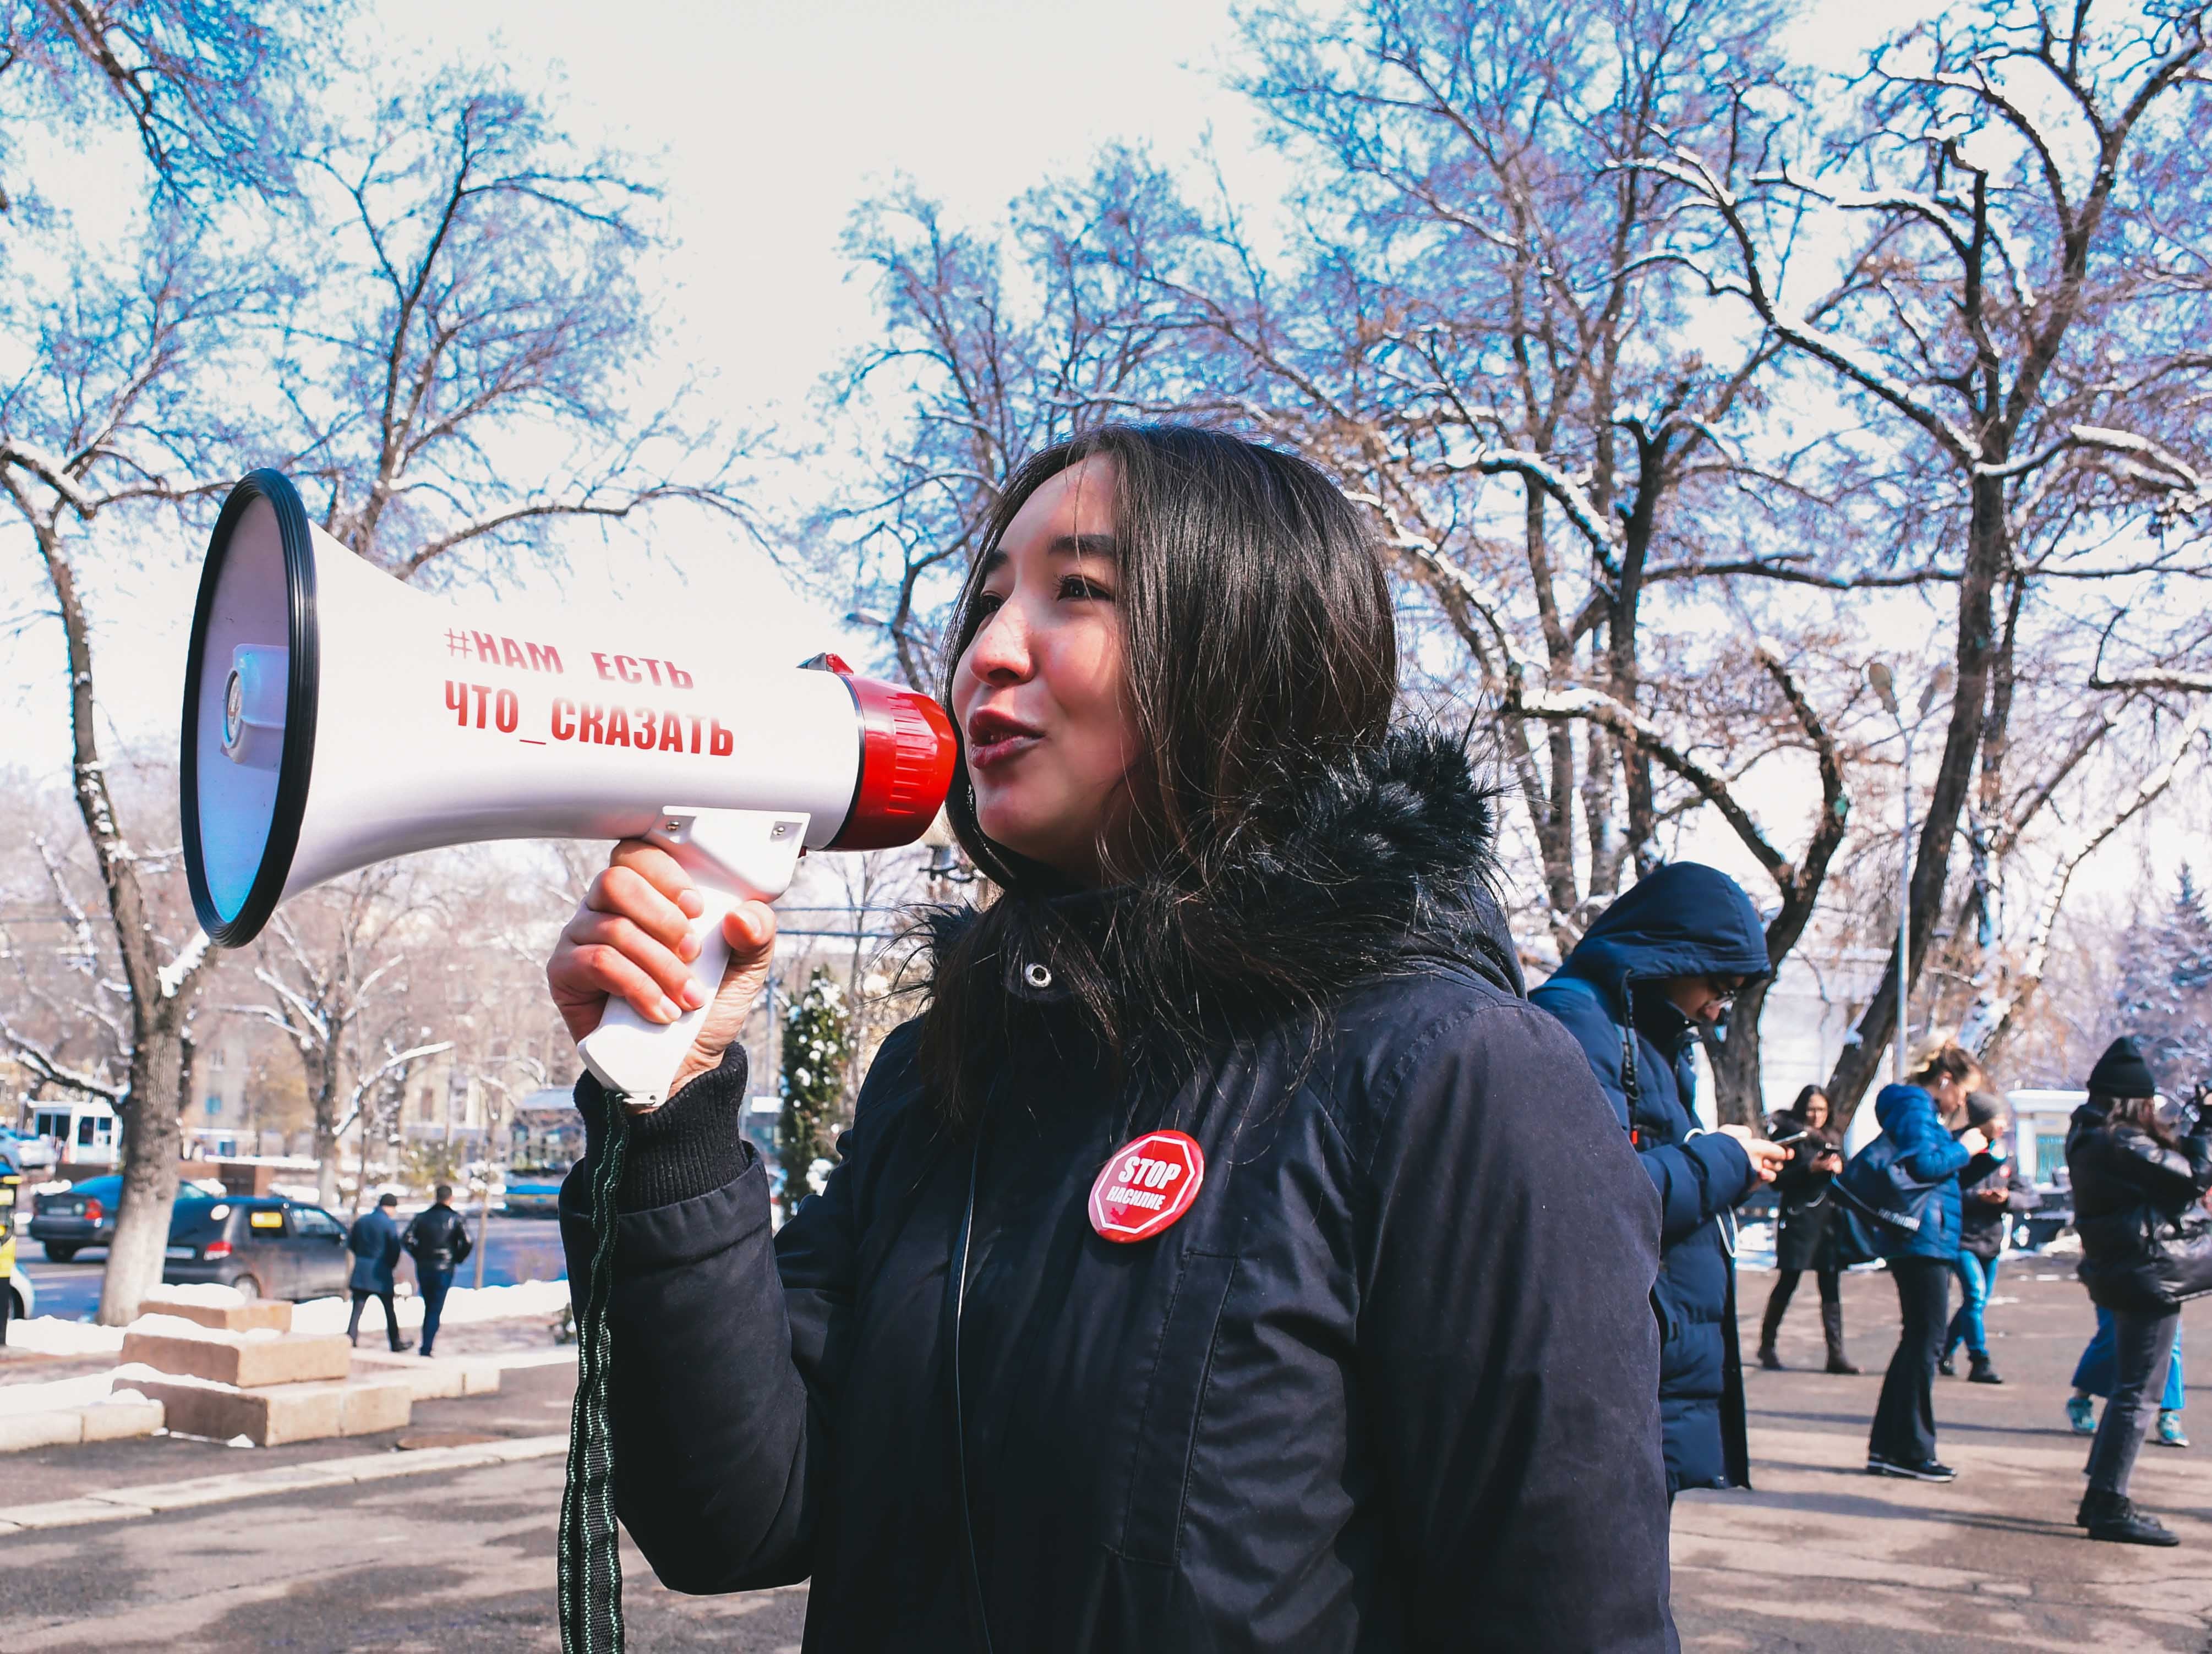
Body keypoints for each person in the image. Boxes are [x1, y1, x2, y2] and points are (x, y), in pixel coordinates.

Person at [548, 425, 1676, 1648]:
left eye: (1075, 592)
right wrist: (671, 1106)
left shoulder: (1455, 1082)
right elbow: (737, 1518)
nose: (984, 654)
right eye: (984, 604)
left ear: (1247, 651)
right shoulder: (938, 1083)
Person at [1529, 861, 1788, 1499]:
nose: (1716, 1010)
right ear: (1671, 957)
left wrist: (1744, 1168)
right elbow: (1595, 1197)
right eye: (1717, 986)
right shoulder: (1578, 1023)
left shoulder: (1644, 1032)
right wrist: (1724, 1159)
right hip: (1610, 1366)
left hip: (1648, 1354)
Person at [2066, 1036, 2212, 1545]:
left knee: (2132, 1390)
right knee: (2137, 1395)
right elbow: (2192, 1177)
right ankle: (2107, 1503)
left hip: (2126, 1271)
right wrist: (2207, 1127)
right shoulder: (2120, 1140)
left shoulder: (2091, 1135)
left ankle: (2100, 1498)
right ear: (2132, 1100)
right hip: (2144, 1274)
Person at [1853, 1041, 1987, 1482]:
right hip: (1921, 1240)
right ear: (1945, 1080)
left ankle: (1889, 1448)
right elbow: (1923, 1165)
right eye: (1962, 1095)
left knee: (1918, 1343)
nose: (1960, 1105)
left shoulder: (1921, 1111)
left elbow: (1937, 1170)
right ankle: (1909, 1450)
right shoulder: (1915, 1105)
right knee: (1924, 1344)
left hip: (1927, 1237)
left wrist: (1978, 1153)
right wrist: (1964, 1146)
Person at [1940, 1091, 2036, 1385]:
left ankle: (1943, 1350)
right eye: (1998, 1120)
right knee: (1975, 1295)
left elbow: (2029, 1195)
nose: (2003, 1126)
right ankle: (1980, 1360)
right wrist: (1978, 1198)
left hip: (1991, 1240)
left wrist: (2006, 1199)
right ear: (1981, 1123)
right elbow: (1944, 1189)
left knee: (1976, 1303)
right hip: (1960, 1238)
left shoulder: (2004, 1153)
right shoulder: (1958, 1148)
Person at [1758, 1086, 1855, 1373]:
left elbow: (1846, 1176)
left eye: (1822, 1110)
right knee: (1789, 1281)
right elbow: (1776, 1180)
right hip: (1799, 1217)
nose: (1816, 1116)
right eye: (1812, 1109)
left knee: (1830, 1286)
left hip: (1829, 1219)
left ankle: (1836, 1354)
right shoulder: (1791, 1135)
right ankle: (1767, 1346)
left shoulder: (1833, 1137)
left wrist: (1838, 1168)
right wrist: (1808, 1169)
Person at [2069, 1310, 2187, 1448]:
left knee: (2168, 1339)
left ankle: (2168, 1413)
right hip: (2116, 1289)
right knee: (2113, 1336)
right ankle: (2081, 1398)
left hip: (2163, 1289)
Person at [402, 1183, 473, 1359]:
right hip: (445, 1268)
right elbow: (468, 1242)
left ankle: (427, 1343)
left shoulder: (422, 1218)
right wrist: (457, 1258)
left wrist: (418, 1254)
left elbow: (406, 1239)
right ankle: (426, 1347)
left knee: (429, 1305)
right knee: (435, 1308)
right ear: (451, 1198)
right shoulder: (455, 1219)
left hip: (425, 1267)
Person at [346, 1192, 410, 1351]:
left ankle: (350, 1339)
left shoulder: (362, 1222)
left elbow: (351, 1244)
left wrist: (362, 1258)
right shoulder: (388, 1224)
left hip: (361, 1270)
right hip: (380, 1273)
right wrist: (390, 1265)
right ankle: (395, 1342)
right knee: (389, 1310)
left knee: (357, 1309)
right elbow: (395, 1249)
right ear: (390, 1207)